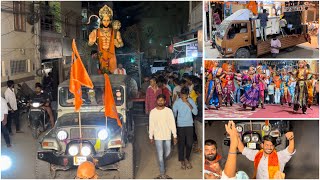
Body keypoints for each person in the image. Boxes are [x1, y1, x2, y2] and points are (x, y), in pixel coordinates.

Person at [88, 5, 124, 74]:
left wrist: (117, 43)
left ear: (110, 21)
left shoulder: (115, 32)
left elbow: (121, 44)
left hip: (111, 55)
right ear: (101, 21)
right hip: (101, 55)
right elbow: (90, 43)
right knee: (103, 74)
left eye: (108, 20)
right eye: (104, 20)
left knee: (114, 73)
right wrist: (91, 40)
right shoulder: (96, 31)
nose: (106, 22)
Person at [149, 94, 177, 179]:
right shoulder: (153, 112)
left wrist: (174, 135)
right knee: (160, 155)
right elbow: (151, 125)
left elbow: (172, 123)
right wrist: (151, 136)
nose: (160, 101)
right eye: (159, 100)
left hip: (167, 135)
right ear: (156, 101)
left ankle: (162, 162)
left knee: (168, 152)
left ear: (165, 101)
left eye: (162, 100)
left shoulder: (169, 111)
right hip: (157, 136)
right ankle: (162, 173)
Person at [173, 87, 198, 170]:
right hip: (180, 125)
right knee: (181, 143)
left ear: (188, 95)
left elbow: (195, 112)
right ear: (180, 94)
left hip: (189, 124)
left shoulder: (191, 101)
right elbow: (174, 114)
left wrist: (188, 103)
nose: (183, 97)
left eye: (185, 95)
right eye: (182, 95)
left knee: (190, 143)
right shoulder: (177, 102)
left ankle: (187, 158)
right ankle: (182, 160)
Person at [193, 85, 203, 153]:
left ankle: (200, 148)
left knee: (199, 134)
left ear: (197, 91)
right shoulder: (202, 96)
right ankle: (200, 147)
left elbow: (199, 109)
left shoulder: (199, 98)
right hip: (201, 118)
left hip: (199, 118)